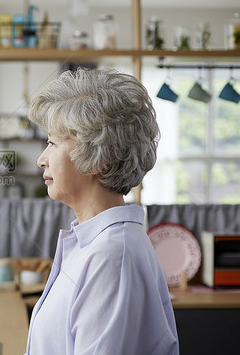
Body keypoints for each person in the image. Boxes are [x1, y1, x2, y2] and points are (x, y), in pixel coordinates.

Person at [25, 68, 179, 354]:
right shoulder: (96, 243)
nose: (41, 160)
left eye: (52, 143)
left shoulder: (112, 257)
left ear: (98, 158)